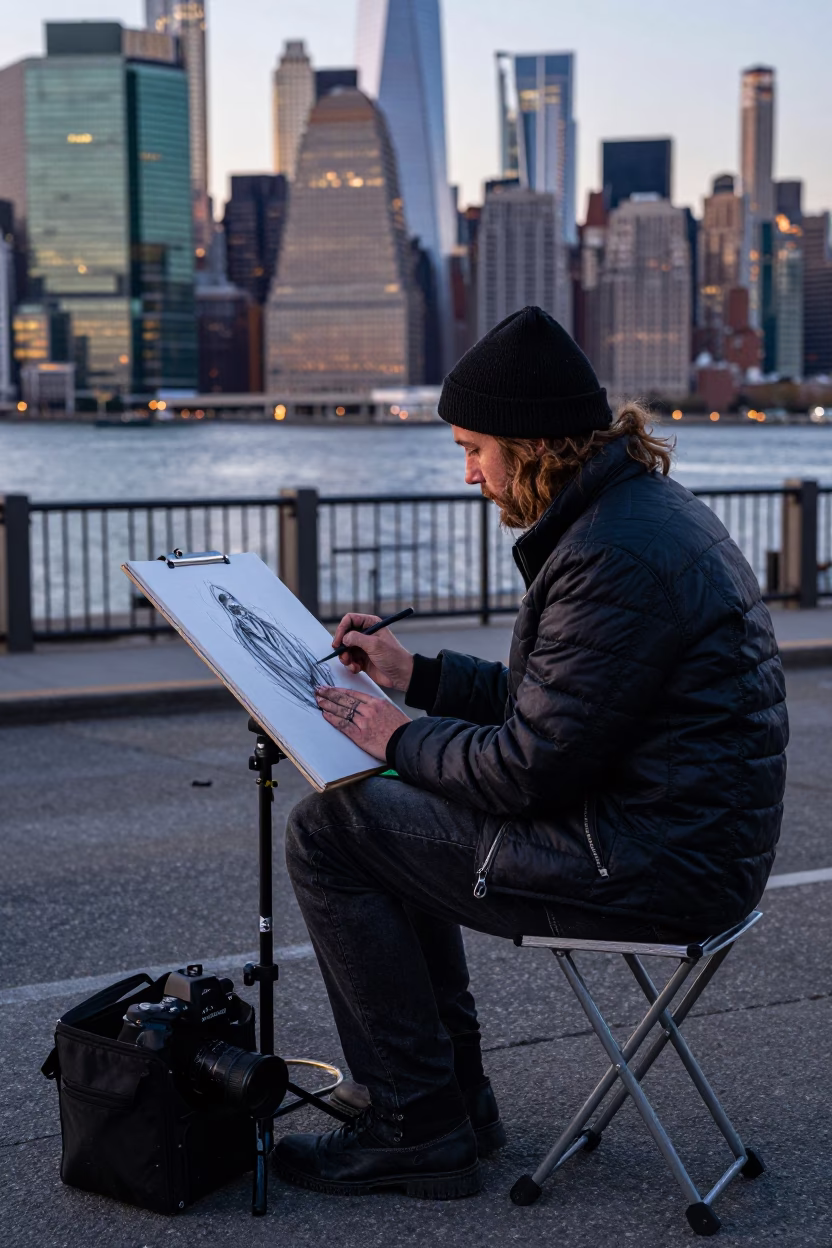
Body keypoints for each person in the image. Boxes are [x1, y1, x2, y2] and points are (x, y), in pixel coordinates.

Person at [273, 306, 788, 1199]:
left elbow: (528, 768)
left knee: (332, 828)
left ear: (534, 444)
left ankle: (417, 1123)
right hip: (679, 843)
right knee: (383, 809)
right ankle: (452, 1099)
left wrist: (396, 735)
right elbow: (565, 706)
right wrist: (416, 677)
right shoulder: (637, 515)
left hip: (650, 864)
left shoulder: (610, 554)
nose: (469, 473)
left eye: (475, 449)